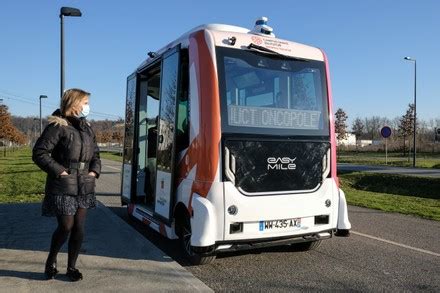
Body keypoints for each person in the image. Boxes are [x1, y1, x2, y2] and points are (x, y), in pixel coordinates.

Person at [32, 88, 101, 281]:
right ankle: (51, 260)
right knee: (66, 226)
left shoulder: (87, 128)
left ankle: (72, 267)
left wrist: (94, 171)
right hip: (63, 185)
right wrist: (59, 171)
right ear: (74, 103)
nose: (88, 106)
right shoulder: (57, 126)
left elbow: (95, 154)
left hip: (84, 185)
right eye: (85, 102)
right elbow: (39, 153)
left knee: (79, 227)